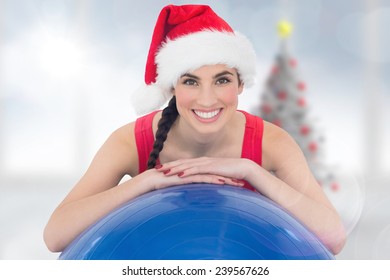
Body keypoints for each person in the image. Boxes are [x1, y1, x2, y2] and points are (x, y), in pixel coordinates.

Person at [43, 4, 346, 255]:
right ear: (172, 86)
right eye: (190, 81)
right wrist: (144, 183)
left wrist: (250, 171)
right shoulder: (130, 141)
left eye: (222, 80)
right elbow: (55, 235)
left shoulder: (271, 142)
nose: (207, 98)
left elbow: (333, 238)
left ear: (241, 83)